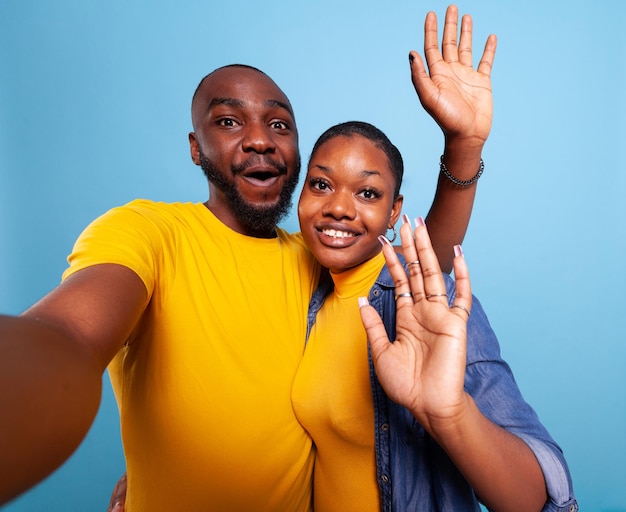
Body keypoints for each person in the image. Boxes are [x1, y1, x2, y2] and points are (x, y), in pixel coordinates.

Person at [1, 5, 493, 510]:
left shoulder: (319, 259)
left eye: (279, 125)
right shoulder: (149, 232)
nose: (260, 139)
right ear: (197, 148)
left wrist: (464, 144)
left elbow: (419, 264)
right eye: (229, 121)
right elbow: (70, 336)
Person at [291, 120, 578, 511]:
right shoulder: (311, 293)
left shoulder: (432, 304)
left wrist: (450, 415)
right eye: (321, 184)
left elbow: (536, 498)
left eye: (368, 193)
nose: (339, 207)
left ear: (394, 212)